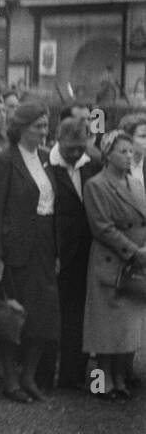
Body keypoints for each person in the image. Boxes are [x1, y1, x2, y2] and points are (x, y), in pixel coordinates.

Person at [0, 100, 59, 405]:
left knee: (44, 316)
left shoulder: (44, 158)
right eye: (38, 126)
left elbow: (51, 205)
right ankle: (10, 380)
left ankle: (28, 375)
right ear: (22, 128)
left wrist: (54, 250)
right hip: (15, 249)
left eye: (45, 125)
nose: (44, 131)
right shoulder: (4, 161)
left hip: (43, 244)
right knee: (12, 315)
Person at [82, 128, 146, 401]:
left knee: (126, 329)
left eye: (131, 151)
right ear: (107, 154)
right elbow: (102, 228)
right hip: (111, 262)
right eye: (123, 151)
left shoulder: (136, 184)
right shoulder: (97, 185)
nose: (129, 156)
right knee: (104, 331)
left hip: (136, 263)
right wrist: (134, 252)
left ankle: (120, 378)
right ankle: (100, 383)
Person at [46, 116, 95, 391]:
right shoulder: (47, 165)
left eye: (80, 147)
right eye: (70, 148)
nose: (76, 154)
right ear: (58, 140)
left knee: (79, 314)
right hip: (57, 252)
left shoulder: (92, 165)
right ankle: (48, 372)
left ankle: (74, 373)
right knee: (57, 314)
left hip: (87, 252)